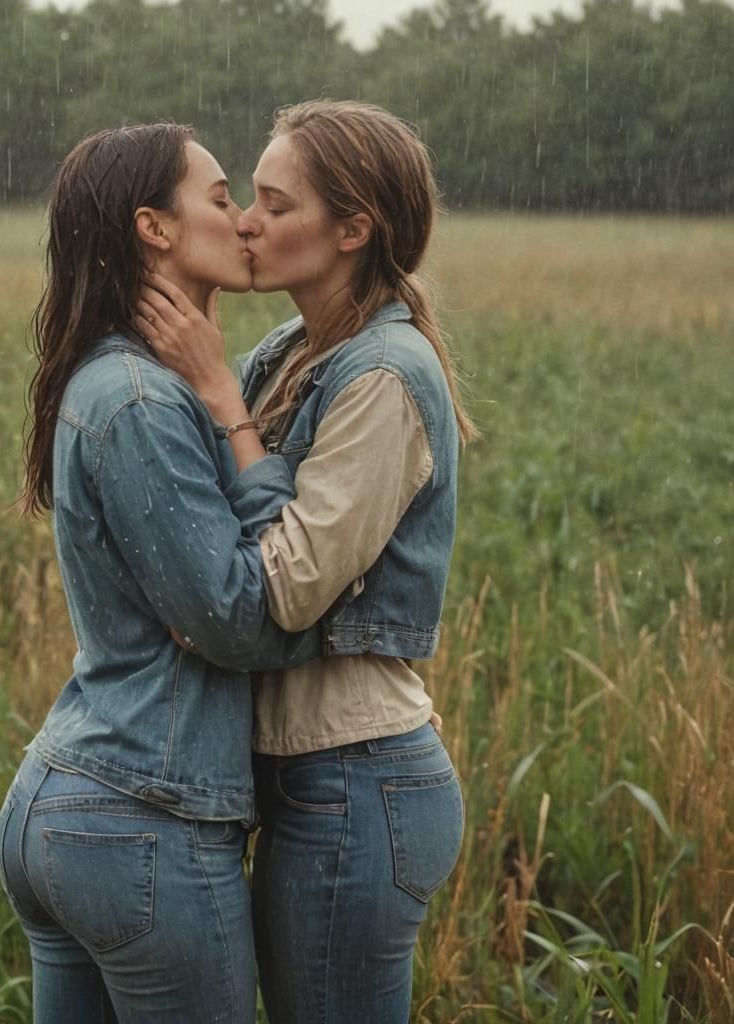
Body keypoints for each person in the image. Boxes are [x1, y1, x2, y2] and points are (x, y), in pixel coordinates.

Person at [136, 99, 474, 1024]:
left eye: (276, 205)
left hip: (359, 779)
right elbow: (213, 519)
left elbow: (285, 585)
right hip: (308, 777)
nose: (247, 221)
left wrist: (216, 390)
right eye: (248, 198)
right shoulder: (291, 349)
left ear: (353, 229)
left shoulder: (384, 378)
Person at [0, 123, 322, 1024]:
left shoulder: (120, 380)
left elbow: (210, 611)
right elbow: (244, 622)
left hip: (83, 805)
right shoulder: (140, 399)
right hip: (140, 817)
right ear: (155, 229)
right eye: (220, 199)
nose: (244, 221)